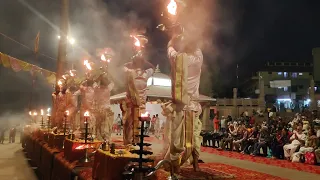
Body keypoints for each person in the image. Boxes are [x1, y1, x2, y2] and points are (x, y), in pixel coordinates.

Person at [167, 33, 203, 172]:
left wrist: (172, 40)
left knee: (177, 136)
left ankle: (175, 164)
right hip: (193, 105)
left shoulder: (178, 58)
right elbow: (197, 47)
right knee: (194, 136)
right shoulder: (199, 58)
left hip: (180, 105)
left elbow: (170, 49)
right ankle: (195, 163)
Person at [122, 52, 155, 145]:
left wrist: (143, 60)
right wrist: (133, 61)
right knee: (128, 123)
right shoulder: (129, 71)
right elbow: (123, 66)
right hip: (130, 102)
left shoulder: (146, 73)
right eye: (137, 62)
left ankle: (136, 142)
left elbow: (152, 67)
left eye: (140, 62)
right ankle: (127, 142)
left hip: (141, 103)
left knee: (138, 124)